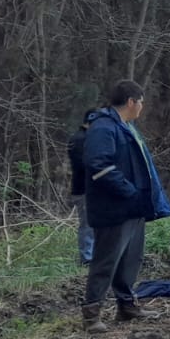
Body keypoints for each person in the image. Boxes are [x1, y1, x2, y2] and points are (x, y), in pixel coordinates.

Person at [81, 80, 170, 333]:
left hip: (134, 208)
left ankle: (127, 305)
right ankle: (91, 314)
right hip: (114, 208)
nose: (142, 106)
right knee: (106, 261)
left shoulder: (127, 127)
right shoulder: (103, 127)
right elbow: (99, 165)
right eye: (141, 101)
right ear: (131, 102)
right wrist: (128, 190)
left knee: (131, 259)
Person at [67, 110, 97, 265]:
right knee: (87, 224)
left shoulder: (87, 138)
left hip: (90, 189)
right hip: (84, 189)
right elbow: (83, 165)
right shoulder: (80, 139)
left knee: (93, 224)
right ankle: (87, 258)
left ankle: (93, 256)